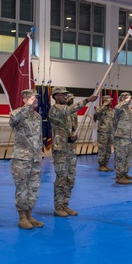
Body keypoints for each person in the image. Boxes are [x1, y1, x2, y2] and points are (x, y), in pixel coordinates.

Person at [48, 87, 97, 217]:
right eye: (63, 95)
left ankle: (65, 204)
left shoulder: (68, 113)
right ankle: (58, 207)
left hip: (70, 148)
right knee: (61, 178)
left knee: (70, 178)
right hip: (61, 149)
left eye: (66, 94)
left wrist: (74, 136)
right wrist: (87, 100)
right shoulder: (56, 109)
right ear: (56, 96)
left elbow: (71, 129)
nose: (65, 96)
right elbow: (69, 109)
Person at [8, 89, 44, 229]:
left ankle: (29, 214)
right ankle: (22, 217)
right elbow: (13, 120)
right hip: (21, 158)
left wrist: (39, 154)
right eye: (31, 98)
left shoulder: (37, 116)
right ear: (24, 99)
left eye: (36, 98)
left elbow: (38, 137)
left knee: (33, 189)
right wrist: (26, 106)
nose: (35, 100)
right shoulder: (17, 113)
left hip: (35, 159)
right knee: (22, 188)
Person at [112, 92, 132, 185]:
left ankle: (124, 173)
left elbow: (131, 119)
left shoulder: (128, 109)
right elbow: (116, 108)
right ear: (123, 98)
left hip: (129, 136)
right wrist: (124, 101)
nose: (130, 100)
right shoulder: (120, 108)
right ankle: (119, 176)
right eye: (128, 98)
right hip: (121, 136)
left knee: (128, 157)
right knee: (120, 157)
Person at [94, 99, 115, 172]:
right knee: (102, 149)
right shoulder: (101, 109)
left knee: (108, 149)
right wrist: (104, 105)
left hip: (110, 132)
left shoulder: (111, 111)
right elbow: (97, 113)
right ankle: (101, 165)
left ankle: (105, 164)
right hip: (103, 132)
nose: (110, 102)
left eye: (110, 101)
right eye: (108, 101)